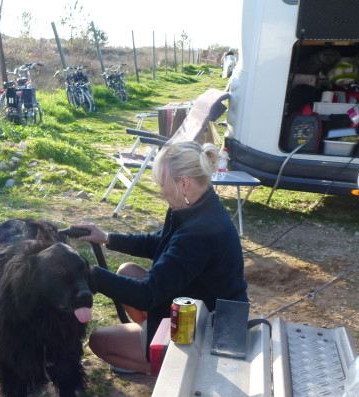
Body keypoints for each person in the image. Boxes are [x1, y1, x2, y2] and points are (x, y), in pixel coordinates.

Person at [74, 141, 248, 374]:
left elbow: (147, 295)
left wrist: (87, 272)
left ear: (184, 183)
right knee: (127, 271)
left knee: (99, 341)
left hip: (210, 329)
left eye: (162, 183)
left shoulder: (199, 232)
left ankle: (164, 363)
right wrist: (107, 238)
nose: (161, 190)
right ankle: (151, 336)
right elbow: (159, 242)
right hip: (198, 303)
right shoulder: (198, 206)